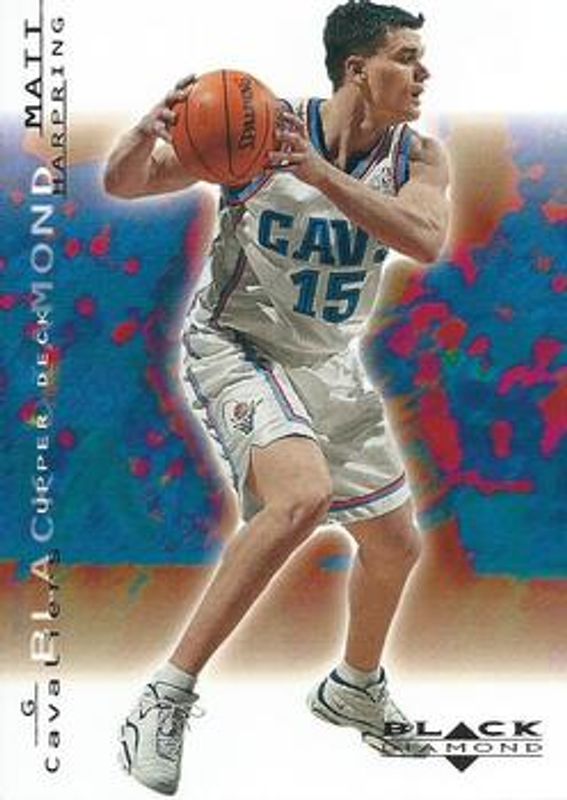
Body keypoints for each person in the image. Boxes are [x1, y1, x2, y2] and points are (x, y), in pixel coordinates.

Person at [104, 1, 449, 794]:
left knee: (395, 546)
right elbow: (125, 183)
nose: (423, 73)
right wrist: (144, 133)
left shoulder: (419, 157)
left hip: (326, 363)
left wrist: (320, 175)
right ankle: (165, 696)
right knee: (300, 497)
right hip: (238, 346)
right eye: (405, 57)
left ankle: (352, 687)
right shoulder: (257, 127)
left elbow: (424, 239)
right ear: (357, 69)